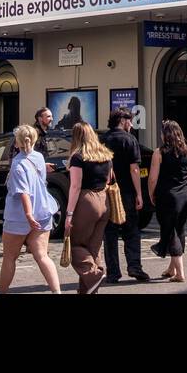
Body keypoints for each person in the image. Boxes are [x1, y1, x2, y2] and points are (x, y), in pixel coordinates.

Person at [0, 124, 60, 294]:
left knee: (10, 257)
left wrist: (28, 214)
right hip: (43, 211)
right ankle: (57, 291)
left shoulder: (18, 164)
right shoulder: (39, 157)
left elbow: (23, 193)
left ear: (17, 143)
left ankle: (2, 292)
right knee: (42, 255)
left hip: (19, 216)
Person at [64, 122, 114, 294]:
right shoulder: (106, 154)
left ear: (76, 137)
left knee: (74, 245)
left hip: (86, 201)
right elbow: (109, 180)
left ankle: (94, 275)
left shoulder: (78, 157)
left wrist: (69, 214)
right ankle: (88, 289)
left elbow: (75, 186)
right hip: (104, 201)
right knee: (93, 247)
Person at [101, 108, 149, 283]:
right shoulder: (130, 140)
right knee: (131, 230)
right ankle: (134, 266)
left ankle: (113, 272)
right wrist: (139, 193)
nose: (131, 123)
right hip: (127, 192)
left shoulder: (103, 139)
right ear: (122, 120)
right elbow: (134, 169)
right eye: (129, 120)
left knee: (110, 233)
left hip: (108, 192)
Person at [149, 119, 187, 283]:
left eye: (162, 132)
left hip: (167, 197)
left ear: (165, 135)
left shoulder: (159, 153)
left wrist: (151, 194)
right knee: (179, 229)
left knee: (170, 232)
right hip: (184, 196)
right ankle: (171, 268)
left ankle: (180, 273)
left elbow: (153, 179)